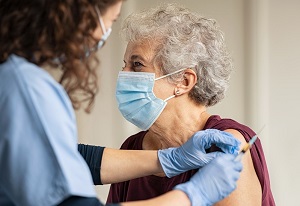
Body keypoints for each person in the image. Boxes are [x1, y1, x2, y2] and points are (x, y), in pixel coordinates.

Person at [0, 0, 243, 206]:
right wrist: (191, 196)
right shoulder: (24, 87)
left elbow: (65, 158)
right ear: (83, 15)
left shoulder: (228, 140)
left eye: (137, 65)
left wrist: (168, 159)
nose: (102, 34)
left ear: (184, 80)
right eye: (111, 20)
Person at [107, 3, 275, 206]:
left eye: (137, 65)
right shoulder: (131, 149)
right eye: (124, 64)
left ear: (184, 81)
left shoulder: (224, 145)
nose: (124, 75)